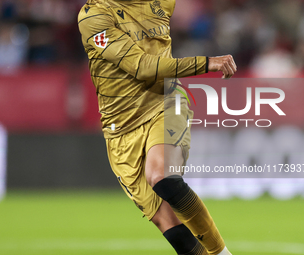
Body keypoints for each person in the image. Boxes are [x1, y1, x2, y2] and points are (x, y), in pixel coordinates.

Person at [78, 0, 237, 254]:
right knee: (168, 222)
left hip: (165, 101)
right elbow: (141, 67)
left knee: (161, 175)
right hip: (121, 129)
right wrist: (206, 63)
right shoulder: (94, 16)